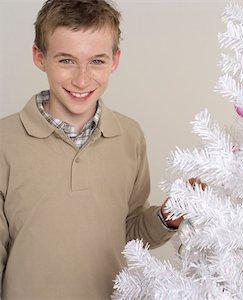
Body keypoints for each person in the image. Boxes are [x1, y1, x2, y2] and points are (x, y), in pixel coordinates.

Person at [0, 0, 186, 298]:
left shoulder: (129, 136)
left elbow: (127, 232)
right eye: (66, 60)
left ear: (115, 60)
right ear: (40, 57)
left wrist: (166, 217)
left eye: (96, 61)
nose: (82, 79)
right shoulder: (4, 140)